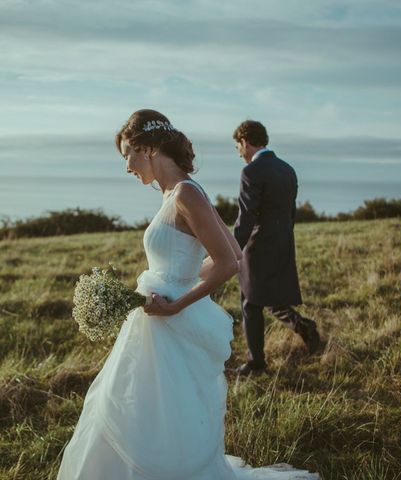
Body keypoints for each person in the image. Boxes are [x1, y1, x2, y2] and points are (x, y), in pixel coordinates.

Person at [56, 109, 320, 479]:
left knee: (162, 417)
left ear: (147, 148)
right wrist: (175, 281)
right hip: (156, 322)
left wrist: (176, 303)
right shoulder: (173, 193)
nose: (127, 166)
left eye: (127, 155)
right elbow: (227, 252)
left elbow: (229, 263)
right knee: (141, 413)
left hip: (171, 321)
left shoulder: (185, 193)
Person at [231, 120, 321, 376]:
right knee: (267, 297)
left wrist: (232, 250)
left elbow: (246, 217)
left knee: (250, 302)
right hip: (283, 241)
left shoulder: (251, 172)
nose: (239, 152)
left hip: (257, 247)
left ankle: (255, 362)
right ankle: (304, 327)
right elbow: (290, 211)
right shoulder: (287, 169)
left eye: (238, 146)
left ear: (246, 142)